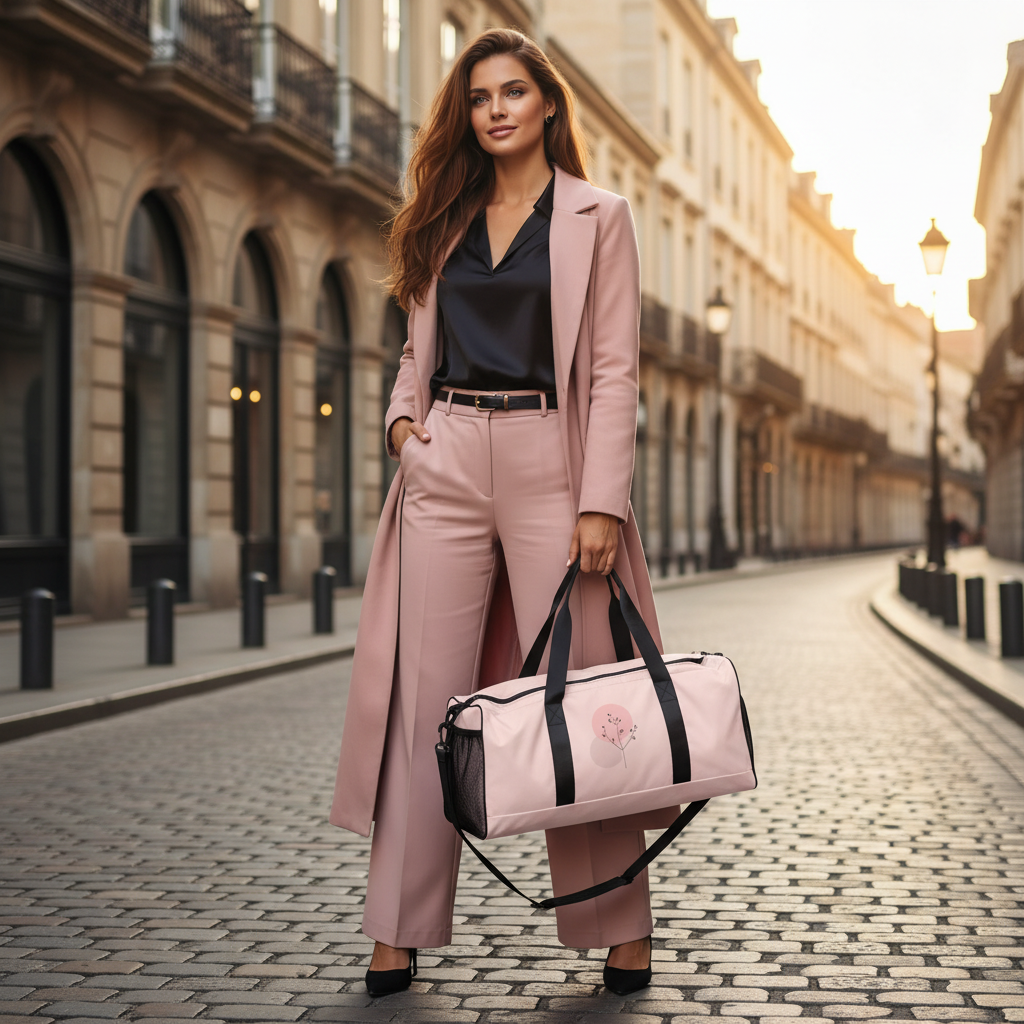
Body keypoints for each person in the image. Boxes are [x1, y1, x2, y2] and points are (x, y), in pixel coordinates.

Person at [328, 26, 674, 999]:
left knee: (584, 695)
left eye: (513, 92)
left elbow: (613, 369)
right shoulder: (440, 217)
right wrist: (404, 427)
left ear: (547, 105)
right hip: (445, 460)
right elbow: (414, 348)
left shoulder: (598, 216)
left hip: (550, 461)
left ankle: (617, 922)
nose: (494, 110)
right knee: (420, 700)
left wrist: (601, 499)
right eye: (479, 96)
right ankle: (396, 928)